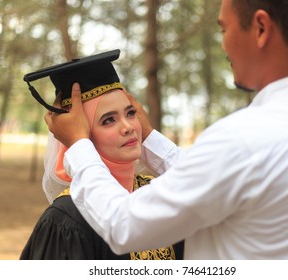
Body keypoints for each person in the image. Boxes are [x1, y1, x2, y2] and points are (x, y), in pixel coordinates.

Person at [44, 0, 288, 259]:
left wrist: (79, 144)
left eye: (224, 28)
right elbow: (234, 183)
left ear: (260, 28)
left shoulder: (242, 140)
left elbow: (123, 225)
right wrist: (151, 140)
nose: (224, 45)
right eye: (110, 119)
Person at [20, 50, 184, 260]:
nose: (128, 127)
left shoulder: (157, 193)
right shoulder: (66, 219)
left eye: (131, 113)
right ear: (81, 135)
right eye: (108, 120)